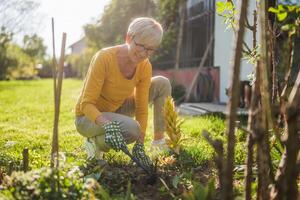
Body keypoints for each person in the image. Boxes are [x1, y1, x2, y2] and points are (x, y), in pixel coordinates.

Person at [74, 17, 171, 169]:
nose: (143, 53)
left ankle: (158, 143)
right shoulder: (104, 58)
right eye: (141, 46)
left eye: (150, 49)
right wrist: (107, 125)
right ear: (128, 38)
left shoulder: (145, 66)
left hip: (117, 108)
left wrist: (140, 143)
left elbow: (141, 107)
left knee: (161, 83)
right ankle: (95, 142)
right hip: (87, 117)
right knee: (132, 129)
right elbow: (86, 104)